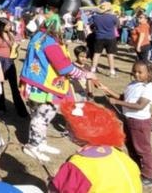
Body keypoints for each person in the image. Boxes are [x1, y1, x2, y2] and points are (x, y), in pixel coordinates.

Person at [20, 13, 96, 162]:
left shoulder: (38, 37)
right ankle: (33, 145)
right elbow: (64, 67)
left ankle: (41, 142)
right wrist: (85, 75)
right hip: (45, 86)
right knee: (41, 117)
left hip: (36, 83)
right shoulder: (49, 43)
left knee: (40, 116)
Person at [48, 100, 142, 192]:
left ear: (82, 131)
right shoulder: (121, 156)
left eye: (70, 126)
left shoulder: (78, 166)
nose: (66, 128)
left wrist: (55, 183)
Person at [98, 60, 152, 186]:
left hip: (140, 122)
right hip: (128, 120)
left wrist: (117, 103)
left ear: (149, 73)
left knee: (143, 150)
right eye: (134, 71)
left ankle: (148, 176)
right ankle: (136, 169)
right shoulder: (133, 84)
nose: (136, 74)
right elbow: (123, 98)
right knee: (131, 147)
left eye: (140, 72)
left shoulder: (150, 89)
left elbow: (139, 105)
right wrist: (107, 90)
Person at [0, 18, 29, 117]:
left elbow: (15, 44)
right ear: (1, 26)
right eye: (7, 25)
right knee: (0, 86)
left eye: (10, 25)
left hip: (9, 62)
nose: (10, 26)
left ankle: (21, 110)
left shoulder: (11, 34)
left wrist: (16, 45)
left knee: (14, 87)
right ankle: (1, 107)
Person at [90, 2, 119, 77]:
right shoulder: (113, 17)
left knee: (96, 54)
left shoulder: (96, 17)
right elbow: (117, 25)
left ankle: (93, 70)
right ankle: (112, 72)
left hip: (99, 37)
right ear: (109, 9)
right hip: (110, 37)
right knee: (110, 55)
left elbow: (91, 24)